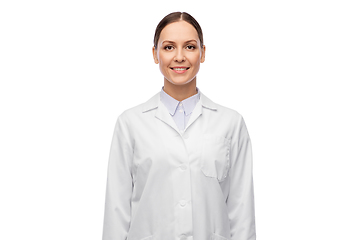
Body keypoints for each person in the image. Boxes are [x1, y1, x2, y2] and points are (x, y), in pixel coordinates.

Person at [102, 12, 256, 240]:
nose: (180, 57)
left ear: (203, 53)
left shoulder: (231, 124)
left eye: (190, 47)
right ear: (155, 54)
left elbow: (241, 212)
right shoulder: (130, 124)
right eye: (169, 47)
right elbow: (117, 213)